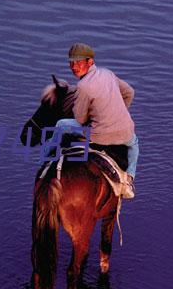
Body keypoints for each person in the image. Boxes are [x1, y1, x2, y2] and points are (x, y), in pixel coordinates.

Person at [44, 43, 139, 199]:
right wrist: (116, 114)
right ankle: (128, 180)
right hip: (125, 132)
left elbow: (80, 119)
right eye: (71, 62)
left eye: (79, 62)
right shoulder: (108, 73)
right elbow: (129, 92)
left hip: (98, 136)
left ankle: (46, 160)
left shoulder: (83, 86)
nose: (74, 66)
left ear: (90, 62)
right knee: (134, 145)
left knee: (61, 125)